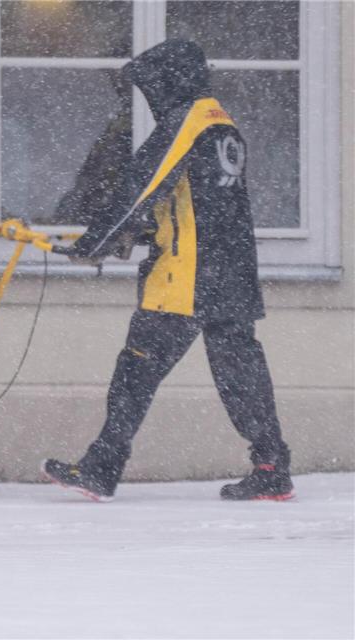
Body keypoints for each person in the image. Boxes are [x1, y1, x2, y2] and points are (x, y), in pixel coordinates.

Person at [41, 39, 294, 502]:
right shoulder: (223, 124)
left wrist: (94, 243)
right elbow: (197, 204)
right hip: (232, 273)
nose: (148, 97)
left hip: (188, 277)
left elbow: (141, 186)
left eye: (150, 86)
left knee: (136, 370)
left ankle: (100, 468)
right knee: (240, 373)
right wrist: (138, 234)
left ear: (170, 81)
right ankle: (271, 465)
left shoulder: (188, 123)